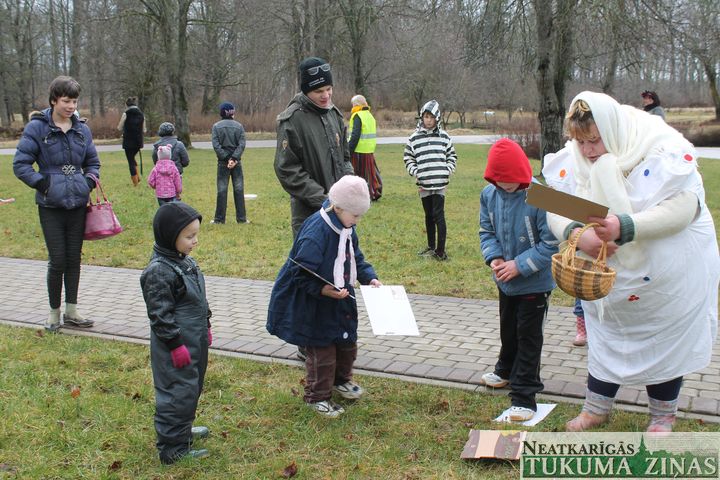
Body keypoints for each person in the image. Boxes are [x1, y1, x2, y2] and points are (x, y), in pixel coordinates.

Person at [542, 91, 719, 433]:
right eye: (581, 142)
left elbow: (686, 206)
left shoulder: (659, 145)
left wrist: (626, 227)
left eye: (594, 140)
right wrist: (577, 233)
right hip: (611, 281)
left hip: (666, 278)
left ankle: (663, 416)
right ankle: (596, 409)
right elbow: (551, 203)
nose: (587, 150)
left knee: (663, 343)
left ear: (611, 130)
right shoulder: (574, 157)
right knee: (606, 340)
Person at [266, 175, 381, 417]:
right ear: (338, 207)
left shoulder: (347, 228)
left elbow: (355, 257)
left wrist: (369, 277)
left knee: (347, 344)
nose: (358, 220)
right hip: (315, 302)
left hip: (341, 299)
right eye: (355, 215)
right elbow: (299, 271)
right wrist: (321, 289)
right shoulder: (316, 232)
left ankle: (341, 380)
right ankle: (317, 396)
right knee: (323, 351)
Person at [479, 138, 558, 422]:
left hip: (535, 284)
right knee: (509, 329)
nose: (506, 185)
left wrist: (519, 266)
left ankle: (525, 397)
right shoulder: (489, 194)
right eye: (500, 181)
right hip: (505, 281)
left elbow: (552, 244)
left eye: (511, 180)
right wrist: (495, 258)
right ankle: (505, 370)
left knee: (528, 338)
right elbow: (486, 231)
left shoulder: (543, 197)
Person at [13, 75, 100, 332]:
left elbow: (93, 162)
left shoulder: (82, 129)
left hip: (78, 204)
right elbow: (21, 164)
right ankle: (54, 313)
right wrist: (44, 185)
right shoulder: (37, 128)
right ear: (53, 100)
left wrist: (88, 182)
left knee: (74, 259)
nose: (71, 106)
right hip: (50, 206)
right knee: (58, 259)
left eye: (74, 101)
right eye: (66, 101)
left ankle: (72, 311)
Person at [140, 201, 212, 464]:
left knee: (191, 388)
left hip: (194, 340)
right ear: (171, 236)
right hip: (176, 346)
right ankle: (172, 449)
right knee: (176, 393)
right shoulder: (159, 271)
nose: (195, 241)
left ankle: (182, 431)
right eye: (189, 236)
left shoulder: (184, 261)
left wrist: (207, 325)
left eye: (196, 235)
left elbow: (199, 299)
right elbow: (160, 314)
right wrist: (174, 344)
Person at [274, 56, 355, 237]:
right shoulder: (292, 120)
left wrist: (349, 186)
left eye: (329, 89)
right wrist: (323, 200)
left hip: (342, 211)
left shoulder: (334, 115)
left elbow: (345, 158)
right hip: (309, 216)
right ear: (306, 90)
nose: (326, 95)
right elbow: (287, 170)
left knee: (344, 254)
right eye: (319, 91)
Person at [403, 99, 457, 261]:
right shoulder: (414, 138)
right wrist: (416, 172)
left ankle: (441, 251)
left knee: (439, 215)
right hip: (424, 183)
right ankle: (431, 246)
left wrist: (447, 170)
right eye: (426, 117)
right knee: (428, 215)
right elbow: (408, 157)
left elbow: (452, 156)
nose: (428, 120)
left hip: (440, 183)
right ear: (421, 117)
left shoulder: (444, 137)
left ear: (437, 118)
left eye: (432, 117)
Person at [211, 102, 248, 224]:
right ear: (232, 112)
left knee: (222, 190)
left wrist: (227, 159)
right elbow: (241, 144)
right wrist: (234, 159)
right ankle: (241, 219)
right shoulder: (239, 126)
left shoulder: (216, 127)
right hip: (237, 162)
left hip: (222, 163)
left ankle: (219, 219)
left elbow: (216, 145)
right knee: (239, 190)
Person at [348, 94, 382, 201]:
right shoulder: (369, 115)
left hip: (359, 150)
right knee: (370, 175)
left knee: (359, 175)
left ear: (356, 104)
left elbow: (355, 135)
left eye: (353, 104)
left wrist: (349, 150)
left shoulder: (357, 115)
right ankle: (373, 192)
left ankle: (363, 195)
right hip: (369, 150)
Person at [117, 96, 146, 186]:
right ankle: (137, 177)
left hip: (128, 142)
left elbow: (119, 127)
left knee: (130, 161)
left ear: (126, 105)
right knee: (132, 159)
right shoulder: (141, 114)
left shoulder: (125, 114)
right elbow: (144, 129)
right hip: (138, 142)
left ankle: (135, 183)